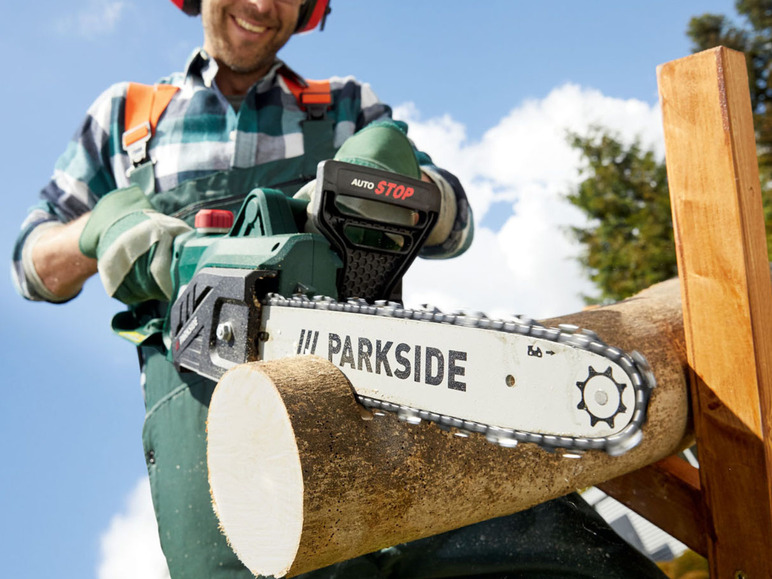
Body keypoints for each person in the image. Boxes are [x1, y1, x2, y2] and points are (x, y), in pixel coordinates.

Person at [12, 1, 667, 577]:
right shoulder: (128, 116)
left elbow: (456, 219)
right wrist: (101, 228)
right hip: (202, 409)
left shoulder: (345, 104)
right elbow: (29, 261)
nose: (264, 4)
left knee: (537, 546)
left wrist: (385, 187)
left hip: (368, 379)